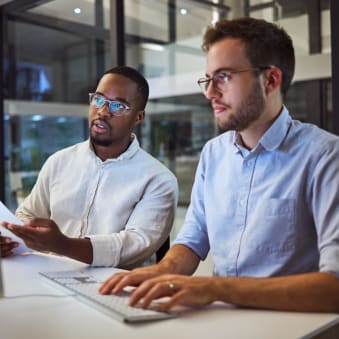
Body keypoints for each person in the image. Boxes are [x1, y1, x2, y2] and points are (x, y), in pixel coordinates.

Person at [99, 17, 339, 312]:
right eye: (208, 79)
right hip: (221, 323)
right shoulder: (214, 153)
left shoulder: (325, 156)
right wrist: (161, 271)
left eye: (224, 77)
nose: (210, 93)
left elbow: (334, 286)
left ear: (271, 80)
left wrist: (215, 288)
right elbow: (193, 238)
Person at [0, 66, 178, 268]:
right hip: (52, 276)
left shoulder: (158, 179)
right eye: (99, 100)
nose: (102, 112)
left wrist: (63, 245)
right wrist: (12, 235)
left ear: (138, 117)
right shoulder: (59, 161)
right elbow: (28, 215)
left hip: (118, 288)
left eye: (117, 106)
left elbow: (135, 245)